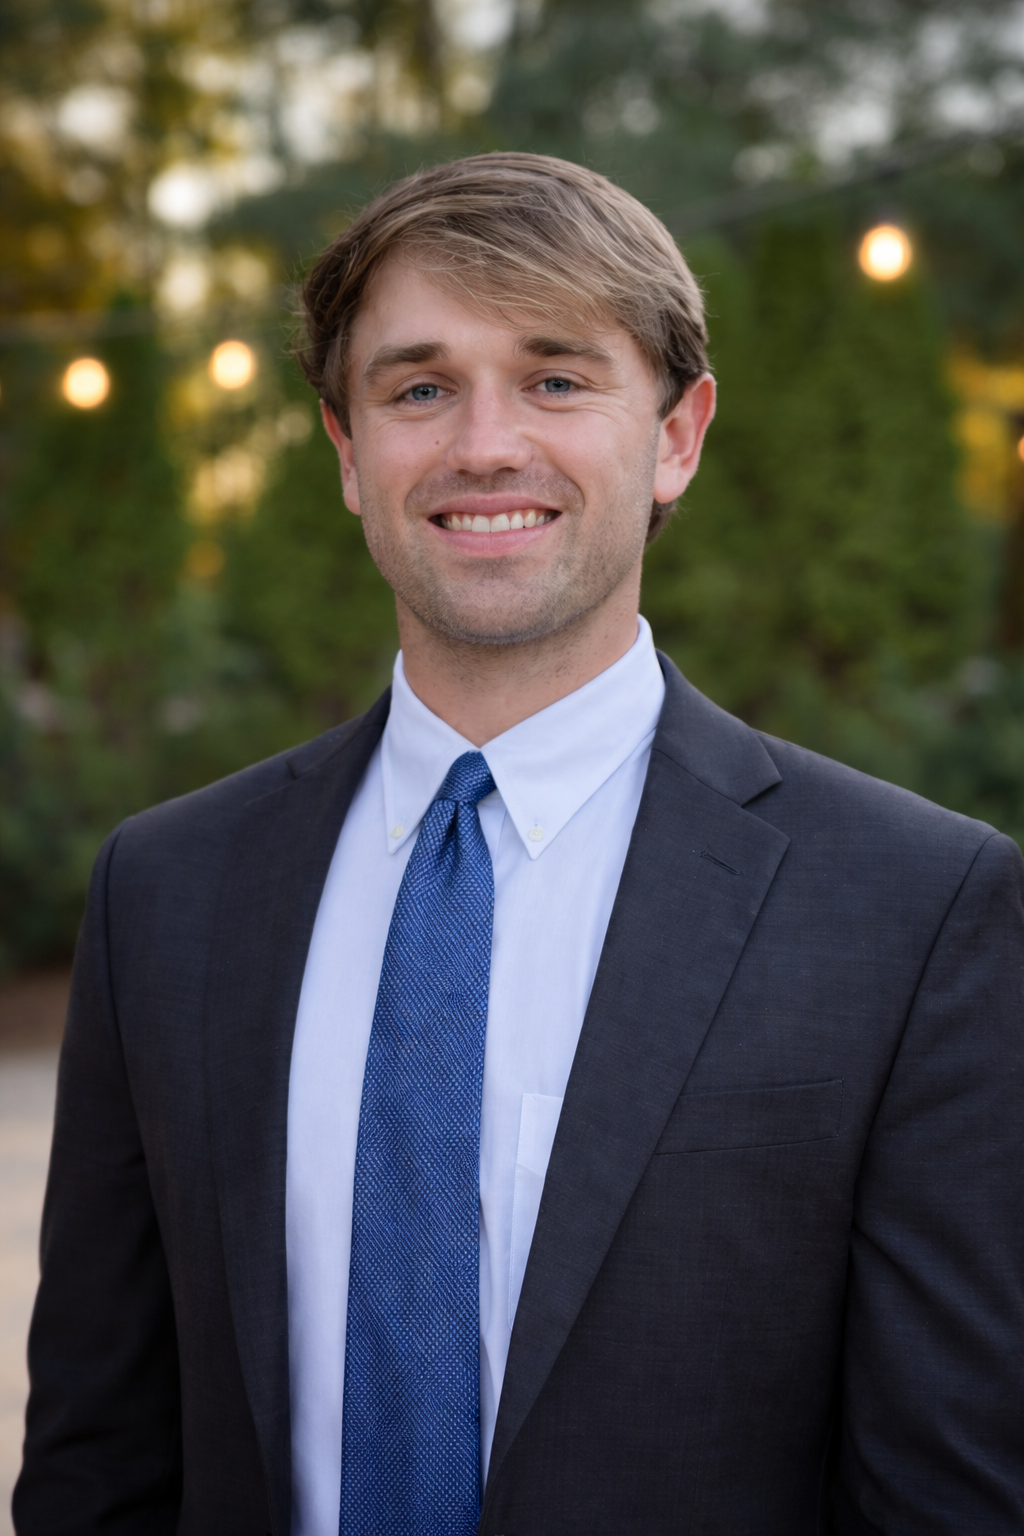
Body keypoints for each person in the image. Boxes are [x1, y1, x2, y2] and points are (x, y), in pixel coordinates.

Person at [14, 153, 1023, 1536]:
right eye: (419, 389)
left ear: (677, 435)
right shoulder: (168, 891)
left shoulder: (915, 909)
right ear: (347, 453)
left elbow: (952, 1494)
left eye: (556, 378)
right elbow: (99, 1455)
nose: (485, 444)